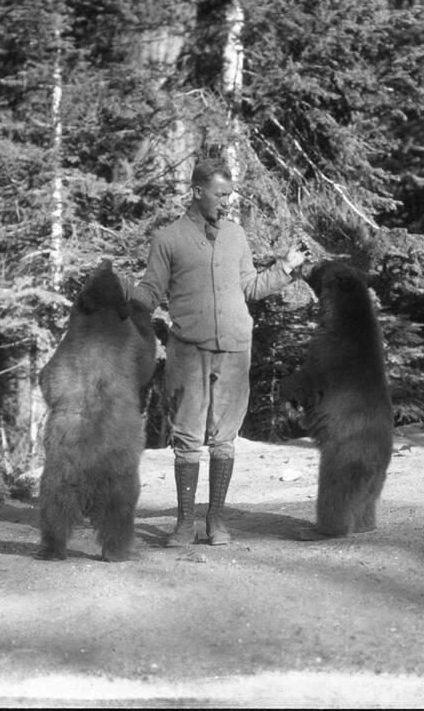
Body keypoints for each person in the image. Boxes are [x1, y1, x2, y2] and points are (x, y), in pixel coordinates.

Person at [131, 158, 307, 546]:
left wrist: (286, 268)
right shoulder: (168, 239)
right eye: (220, 194)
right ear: (197, 191)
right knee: (188, 438)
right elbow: (150, 291)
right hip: (188, 351)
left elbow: (250, 288)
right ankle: (183, 525)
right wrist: (123, 296)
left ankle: (216, 522)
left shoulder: (236, 235)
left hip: (235, 347)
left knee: (225, 438)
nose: (227, 201)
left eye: (230, 194)